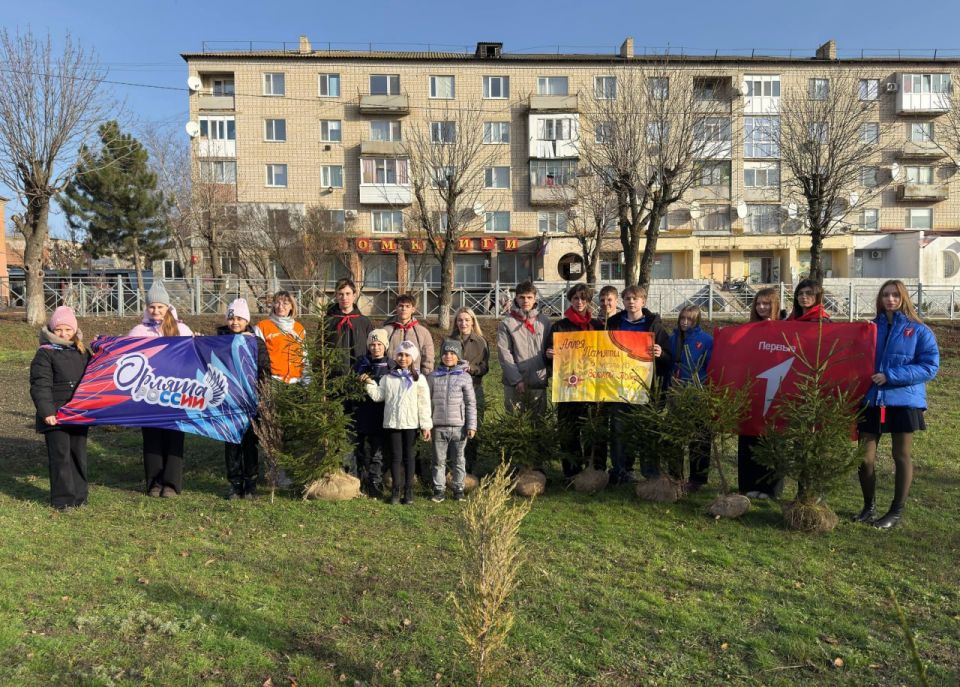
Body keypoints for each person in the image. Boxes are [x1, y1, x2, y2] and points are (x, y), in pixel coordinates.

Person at [856, 280, 939, 529]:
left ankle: (895, 511)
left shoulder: (919, 331)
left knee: (900, 455)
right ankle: (868, 506)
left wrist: (891, 376)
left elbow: (929, 366)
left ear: (903, 297)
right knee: (864, 457)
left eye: (895, 295)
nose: (890, 299)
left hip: (904, 401)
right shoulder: (870, 328)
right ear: (880, 299)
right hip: (872, 400)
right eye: (885, 295)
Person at [127, 281, 194, 497]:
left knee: (174, 436)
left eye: (160, 307)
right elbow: (124, 356)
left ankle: (171, 484)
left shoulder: (181, 329)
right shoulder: (138, 331)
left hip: (175, 391)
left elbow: (194, 356)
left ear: (167, 307)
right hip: (148, 393)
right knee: (152, 437)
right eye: (152, 306)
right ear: (147, 307)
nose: (156, 310)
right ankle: (154, 483)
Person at [605, 285, 672, 483]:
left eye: (635, 298)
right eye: (627, 299)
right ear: (623, 302)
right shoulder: (614, 323)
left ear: (643, 301)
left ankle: (650, 473)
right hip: (618, 387)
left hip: (645, 389)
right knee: (619, 430)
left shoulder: (654, 326)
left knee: (646, 430)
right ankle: (621, 471)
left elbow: (670, 358)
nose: (631, 302)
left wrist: (661, 354)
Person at [29, 306, 91, 510]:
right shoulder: (45, 353)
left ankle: (80, 496)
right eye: (59, 330)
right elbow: (40, 384)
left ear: (75, 330)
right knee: (60, 456)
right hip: (55, 414)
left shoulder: (82, 352)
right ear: (52, 330)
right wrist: (47, 411)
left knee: (78, 454)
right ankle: (63, 499)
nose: (64, 334)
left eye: (68, 329)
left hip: (78, 413)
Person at [545, 284, 605, 477]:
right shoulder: (559, 327)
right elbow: (548, 354)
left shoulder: (597, 326)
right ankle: (571, 471)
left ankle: (593, 469)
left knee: (591, 428)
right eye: (576, 298)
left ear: (588, 302)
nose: (579, 302)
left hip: (593, 387)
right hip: (567, 388)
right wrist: (549, 354)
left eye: (583, 299)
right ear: (570, 300)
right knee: (569, 429)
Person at [362, 340, 432, 505]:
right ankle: (395, 491)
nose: (403, 358)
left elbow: (424, 403)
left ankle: (408, 492)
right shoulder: (388, 378)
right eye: (400, 355)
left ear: (412, 358)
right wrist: (369, 383)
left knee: (409, 457)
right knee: (395, 457)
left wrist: (426, 425)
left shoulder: (419, 379)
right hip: (393, 423)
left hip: (411, 424)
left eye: (407, 355)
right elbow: (379, 396)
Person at [217, 299, 271, 500]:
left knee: (250, 443)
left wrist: (261, 394)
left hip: (249, 400)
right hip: (227, 400)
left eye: (239, 318)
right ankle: (235, 483)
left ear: (247, 320)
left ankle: (250, 484)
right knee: (231, 443)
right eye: (232, 318)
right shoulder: (219, 340)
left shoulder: (256, 342)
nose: (235, 322)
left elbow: (265, 369)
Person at [738, 288, 785, 499]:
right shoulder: (749, 328)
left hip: (776, 388)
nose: (762, 307)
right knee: (749, 436)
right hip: (752, 389)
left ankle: (770, 488)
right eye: (758, 304)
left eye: (766, 303)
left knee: (772, 438)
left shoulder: (786, 327)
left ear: (774, 305)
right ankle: (749, 483)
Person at [667, 304, 713, 490]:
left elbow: (711, 366)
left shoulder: (706, 340)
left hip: (696, 394)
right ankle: (675, 475)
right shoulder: (673, 338)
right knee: (674, 436)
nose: (685, 322)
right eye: (682, 318)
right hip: (675, 391)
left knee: (699, 438)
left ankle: (697, 479)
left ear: (697, 321)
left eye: (689, 319)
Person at [428, 339, 477, 502]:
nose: (448, 356)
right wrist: (427, 424)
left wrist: (471, 425)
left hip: (459, 427)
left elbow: (470, 403)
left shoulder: (465, 377)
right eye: (445, 353)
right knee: (438, 460)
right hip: (438, 426)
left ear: (458, 356)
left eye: (452, 353)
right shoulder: (433, 376)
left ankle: (458, 489)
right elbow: (427, 402)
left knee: (459, 459)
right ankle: (439, 490)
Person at [496, 281, 551, 415]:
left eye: (529, 297)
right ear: (516, 298)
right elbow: (504, 353)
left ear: (535, 299)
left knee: (538, 420)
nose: (526, 301)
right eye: (522, 297)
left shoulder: (544, 322)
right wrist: (516, 380)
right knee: (516, 421)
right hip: (514, 383)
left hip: (538, 381)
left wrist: (548, 371)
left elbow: (550, 347)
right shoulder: (507, 323)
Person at [352, 329, 396, 498]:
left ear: (385, 346)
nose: (376, 348)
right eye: (372, 344)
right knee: (360, 449)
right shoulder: (361, 363)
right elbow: (351, 386)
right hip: (363, 412)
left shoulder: (391, 365)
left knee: (378, 451)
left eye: (379, 344)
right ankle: (359, 479)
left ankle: (375, 481)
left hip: (382, 414)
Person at [450, 307, 489, 471]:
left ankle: (470, 467)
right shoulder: (449, 341)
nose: (463, 323)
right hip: (453, 391)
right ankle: (453, 465)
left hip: (474, 388)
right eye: (460, 320)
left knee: (472, 427)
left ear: (473, 322)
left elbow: (485, 367)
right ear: (456, 322)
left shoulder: (481, 341)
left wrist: (472, 369)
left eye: (467, 320)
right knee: (453, 427)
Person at [255, 290, 307, 384]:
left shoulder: (299, 328)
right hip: (273, 381)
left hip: (296, 382)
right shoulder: (263, 326)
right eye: (277, 303)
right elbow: (256, 355)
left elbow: (304, 355)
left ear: (292, 306)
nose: (280, 306)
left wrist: (307, 380)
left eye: (285, 303)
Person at [323, 278, 372, 374]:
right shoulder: (328, 321)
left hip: (359, 374)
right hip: (334, 375)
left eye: (348, 294)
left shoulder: (364, 321)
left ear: (354, 295)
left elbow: (371, 347)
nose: (344, 298)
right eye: (341, 294)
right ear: (336, 296)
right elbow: (320, 346)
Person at [383, 293, 435, 375]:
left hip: (414, 378)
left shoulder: (423, 332)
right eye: (401, 306)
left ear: (413, 309)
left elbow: (428, 359)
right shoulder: (386, 331)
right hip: (391, 377)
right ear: (396, 308)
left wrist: (424, 377)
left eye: (407, 306)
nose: (404, 309)